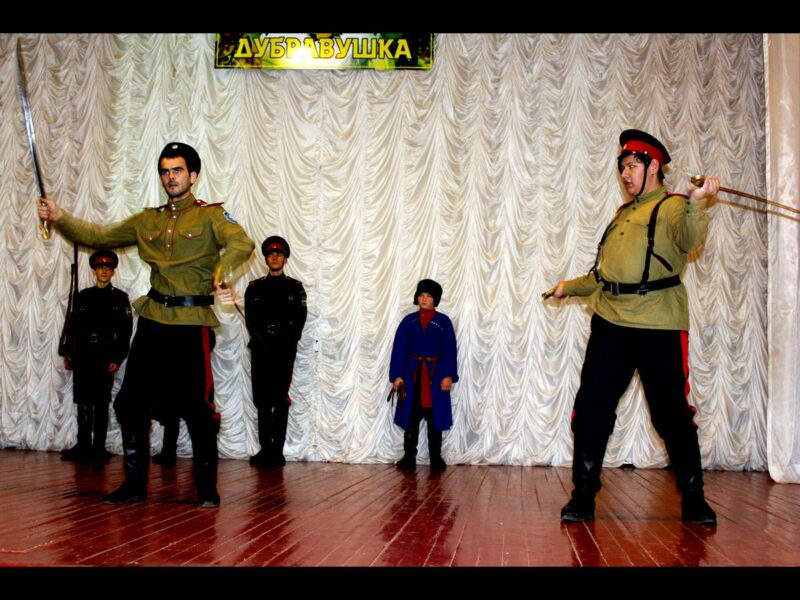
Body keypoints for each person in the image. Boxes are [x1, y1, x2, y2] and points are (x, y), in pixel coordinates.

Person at [38, 142, 255, 507]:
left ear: (193, 175)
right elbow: (98, 236)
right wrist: (59, 216)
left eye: (177, 170)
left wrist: (221, 273)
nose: (171, 177)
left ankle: (207, 489)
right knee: (130, 402)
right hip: (153, 320)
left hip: (191, 323)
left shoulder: (210, 216)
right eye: (165, 171)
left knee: (198, 407)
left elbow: (241, 244)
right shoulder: (147, 221)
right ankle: (135, 485)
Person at [547, 130, 720, 525]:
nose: (624, 174)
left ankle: (694, 498)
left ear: (653, 165)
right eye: (622, 167)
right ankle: (583, 496)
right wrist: (567, 287)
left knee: (671, 414)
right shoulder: (623, 214)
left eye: (631, 166)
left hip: (658, 324)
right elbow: (604, 275)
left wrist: (697, 202)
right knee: (591, 409)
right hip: (611, 323)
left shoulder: (674, 206)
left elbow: (690, 241)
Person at [60, 249, 132, 464]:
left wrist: (117, 358)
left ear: (113, 272)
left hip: (104, 356)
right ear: (94, 271)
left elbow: (125, 332)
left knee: (101, 402)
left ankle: (99, 448)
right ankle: (83, 446)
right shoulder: (83, 296)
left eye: (108, 268)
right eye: (101, 268)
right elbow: (73, 326)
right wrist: (69, 352)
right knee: (83, 401)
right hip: (83, 355)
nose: (104, 271)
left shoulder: (119, 298)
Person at [244, 235, 307, 467]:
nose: (275, 258)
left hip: (283, 352)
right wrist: (262, 340)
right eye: (271, 254)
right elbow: (250, 320)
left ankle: (277, 450)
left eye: (279, 254)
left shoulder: (295, 289)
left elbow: (299, 321)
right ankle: (265, 449)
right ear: (266, 259)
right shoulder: (254, 288)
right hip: (260, 351)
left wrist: (283, 341)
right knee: (262, 401)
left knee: (280, 400)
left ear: (285, 259)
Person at [389, 279, 458, 472]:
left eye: (428, 296)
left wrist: (448, 375)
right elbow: (399, 350)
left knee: (435, 418)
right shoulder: (408, 321)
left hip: (435, 377)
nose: (424, 299)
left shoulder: (443, 322)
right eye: (421, 295)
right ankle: (409, 457)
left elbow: (450, 350)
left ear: (436, 299)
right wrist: (397, 376)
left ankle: (436, 458)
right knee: (411, 417)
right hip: (411, 377)